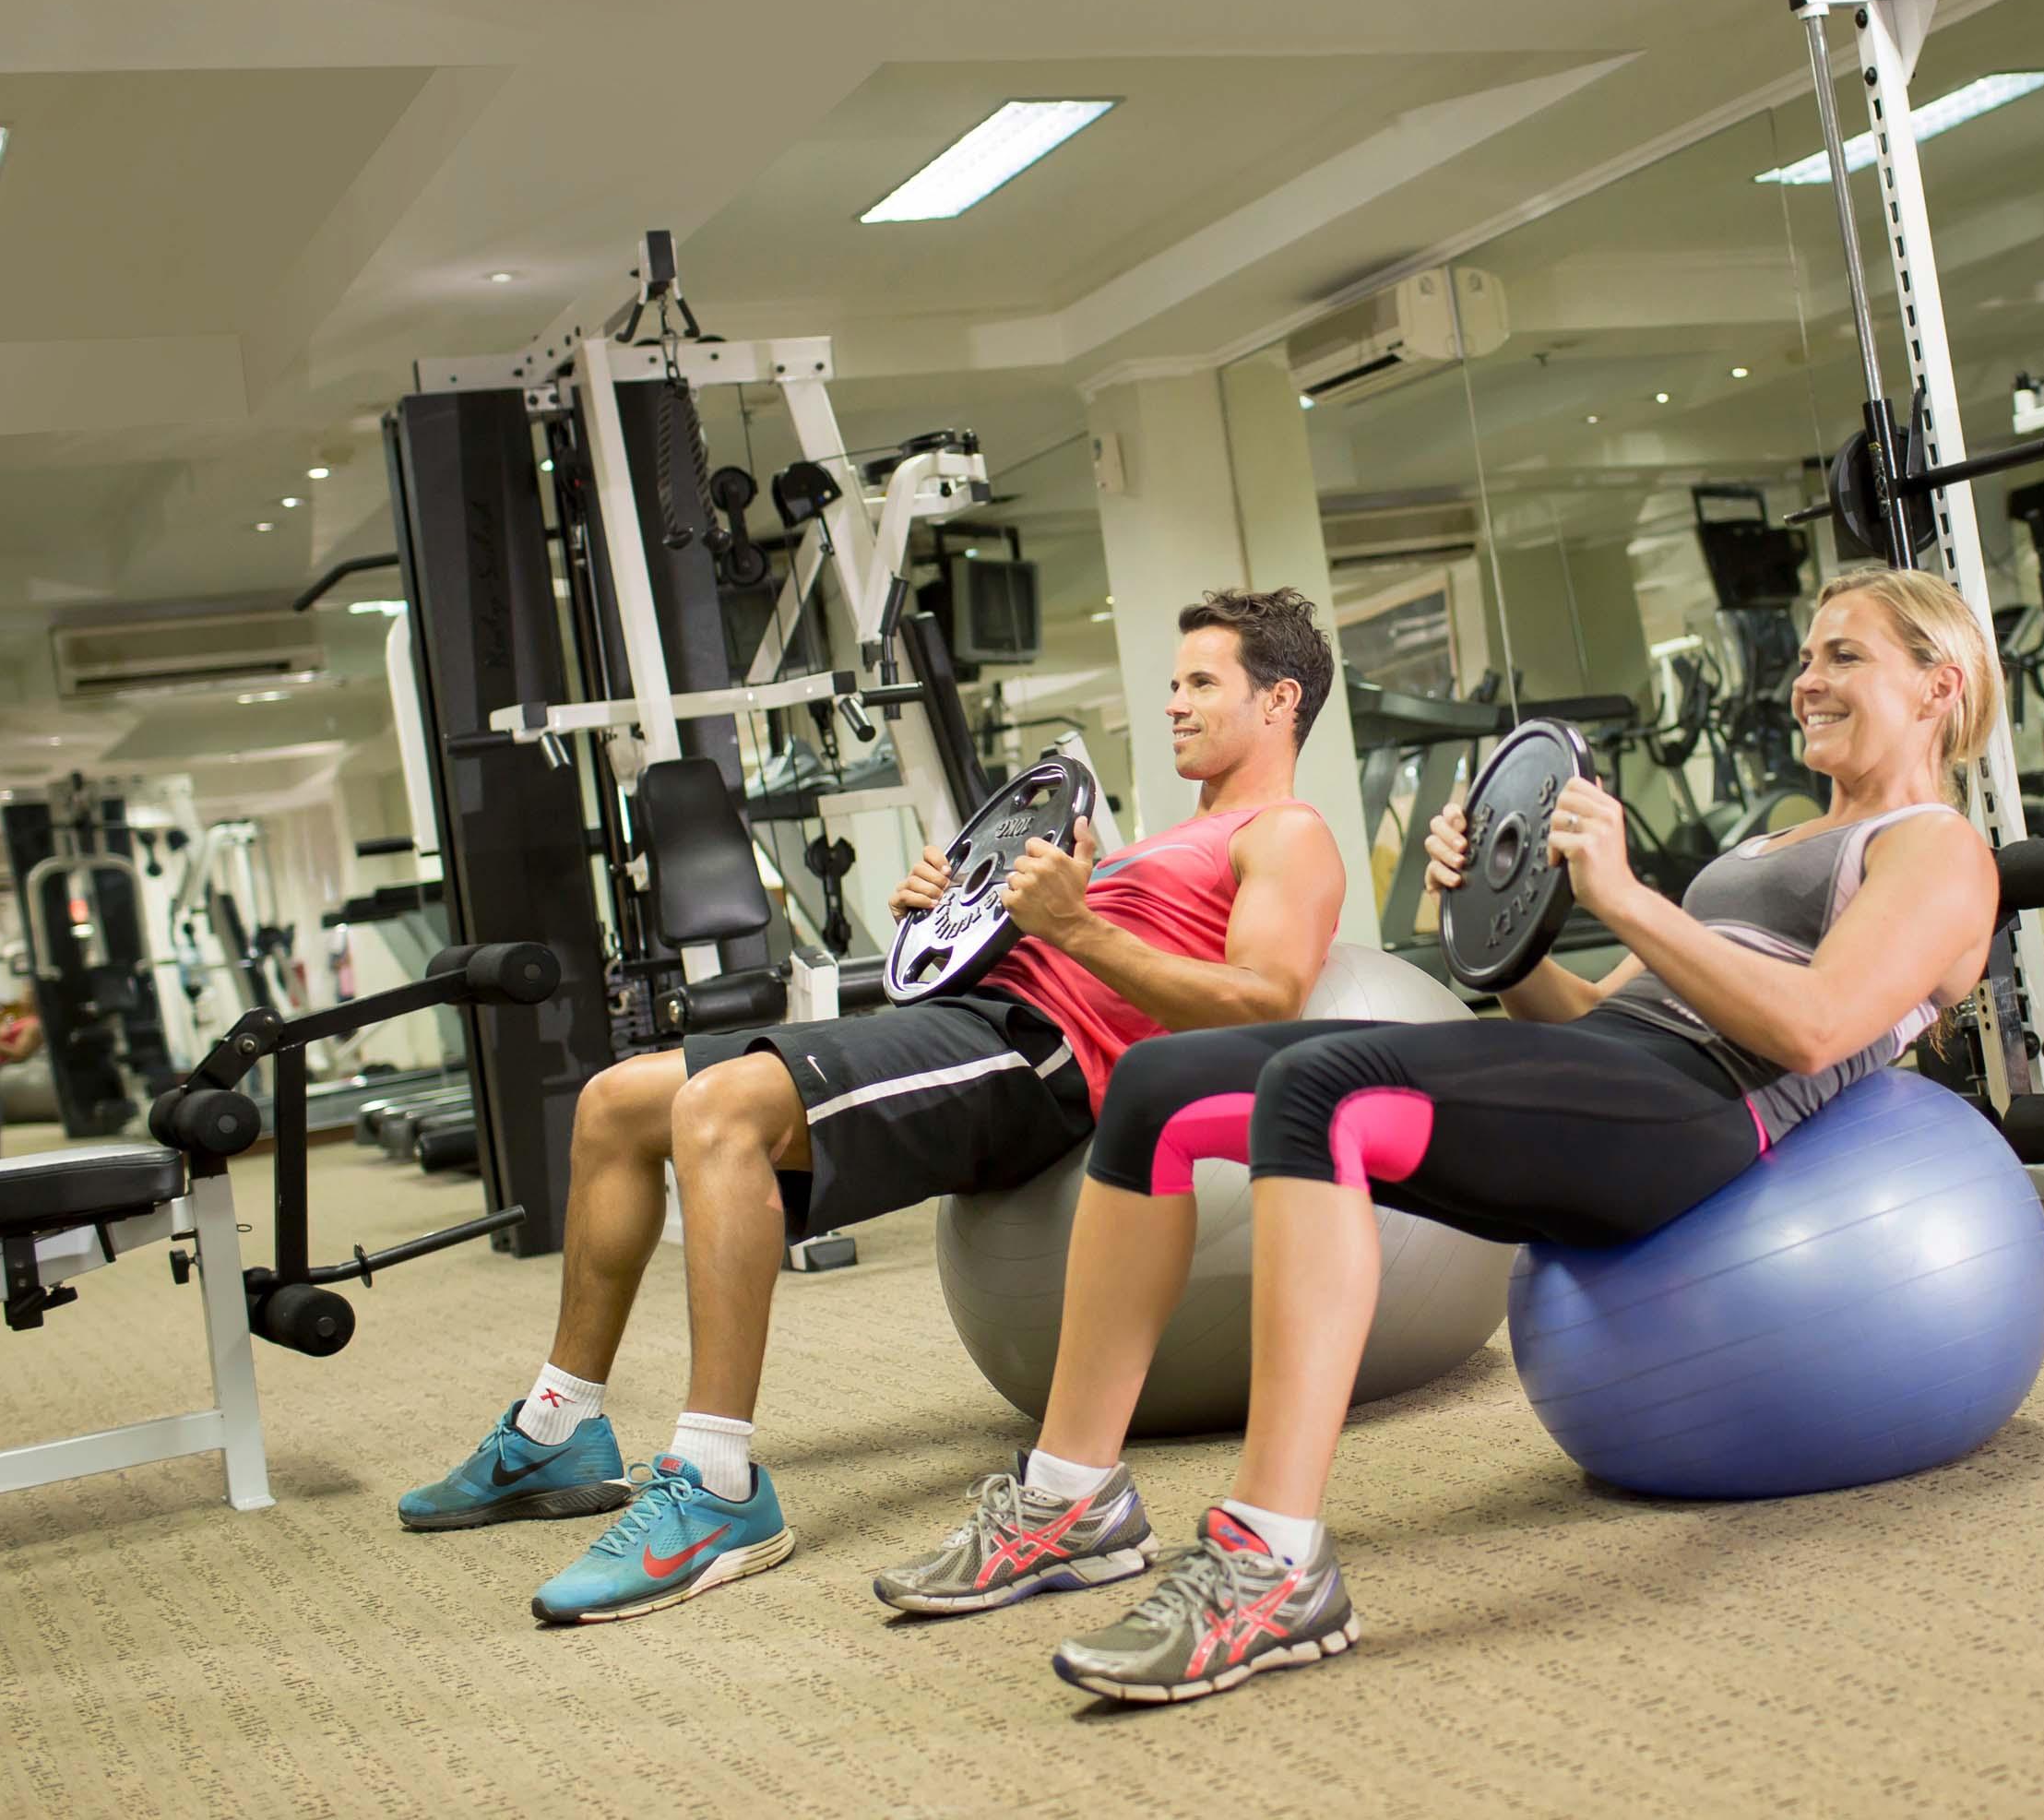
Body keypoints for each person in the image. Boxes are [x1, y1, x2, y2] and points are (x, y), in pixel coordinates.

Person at [872, 565, 2003, 1702]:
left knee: (1321, 1092)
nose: (1807, 679)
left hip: (1696, 1112)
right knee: (1162, 1082)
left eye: (1844, 656)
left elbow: (1810, 1029)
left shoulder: (1937, 848)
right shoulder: (1771, 843)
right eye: (1807, 656)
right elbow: (1595, 1019)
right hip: (1615, 1068)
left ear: (1939, 684)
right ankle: (1071, 1499)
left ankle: (1273, 1560)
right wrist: (1507, 939)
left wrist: (1622, 894)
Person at [398, 589, 1349, 1627]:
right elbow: (1050, 947)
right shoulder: (1151, 841)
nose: (1173, 702)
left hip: (1037, 1061)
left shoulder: (1288, 833)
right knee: (616, 1101)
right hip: (981, 1018)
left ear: (1281, 699)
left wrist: (1070, 928)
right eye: (1174, 682)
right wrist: (956, 913)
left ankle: (716, 1489)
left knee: (718, 1110)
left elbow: (1267, 1002)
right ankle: (558, 1422)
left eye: (1201, 682)